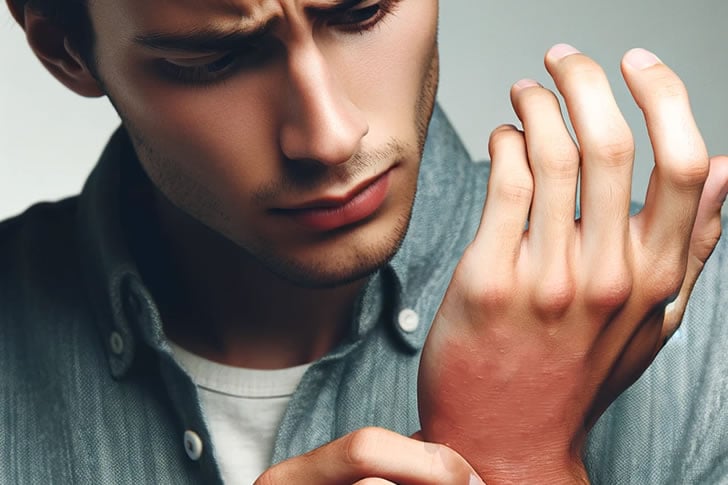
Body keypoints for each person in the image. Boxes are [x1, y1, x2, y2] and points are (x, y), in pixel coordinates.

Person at [2, 0, 727, 483]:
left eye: (362, 10)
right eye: (213, 59)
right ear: (67, 51)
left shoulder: (708, 333)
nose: (328, 136)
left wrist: (522, 465)